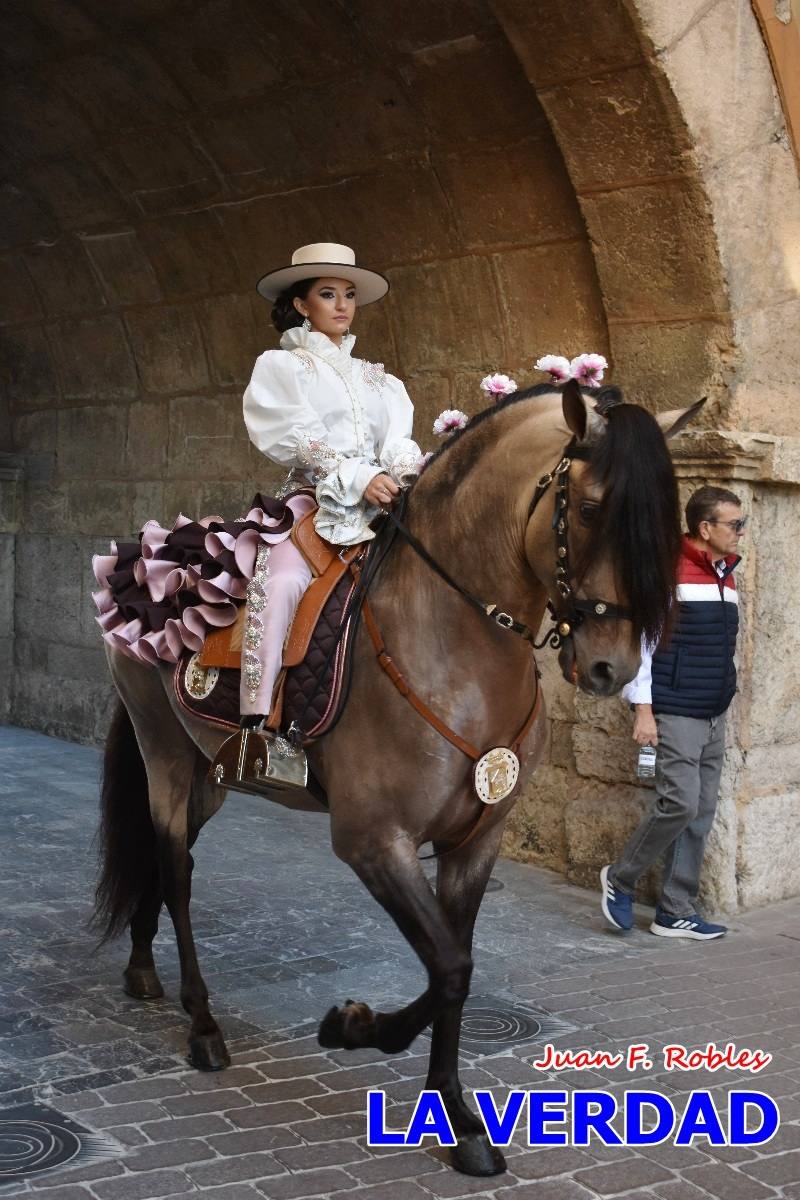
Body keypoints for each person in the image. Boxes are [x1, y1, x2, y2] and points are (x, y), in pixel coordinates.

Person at [93, 242, 421, 728]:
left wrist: (401, 474)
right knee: (283, 581)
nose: (342, 305)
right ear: (301, 305)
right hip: (314, 507)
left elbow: (399, 440)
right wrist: (358, 476)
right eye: (328, 294)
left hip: (381, 509)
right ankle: (256, 725)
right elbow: (297, 434)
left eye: (349, 294)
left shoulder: (381, 382)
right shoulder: (282, 367)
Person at [600, 486, 745, 940]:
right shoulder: (669, 572)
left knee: (699, 811)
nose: (740, 532)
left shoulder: (727, 573)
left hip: (713, 711)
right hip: (676, 708)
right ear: (705, 528)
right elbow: (643, 645)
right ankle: (619, 879)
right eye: (734, 525)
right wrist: (643, 711)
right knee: (678, 802)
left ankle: (674, 910)